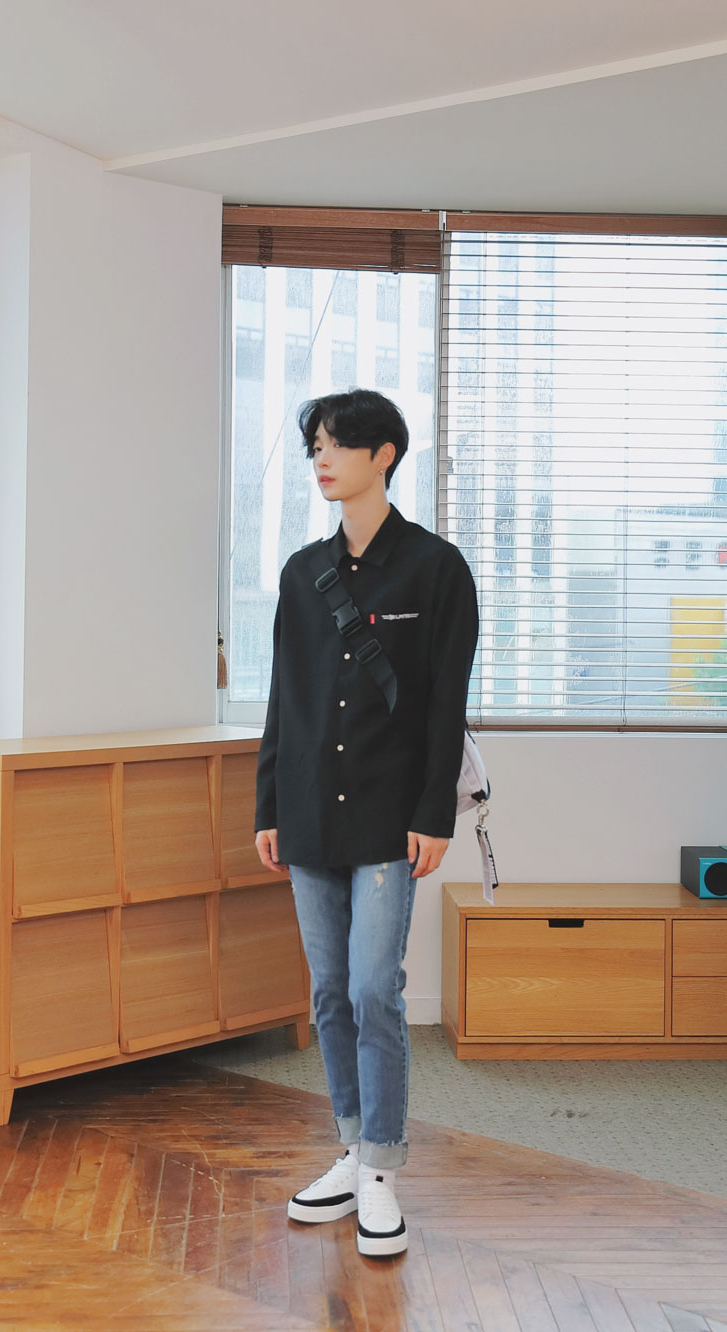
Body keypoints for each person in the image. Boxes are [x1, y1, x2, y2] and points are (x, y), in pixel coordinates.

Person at [254, 387, 478, 1258]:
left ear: (383, 454)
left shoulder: (436, 569)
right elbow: (285, 698)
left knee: (373, 989)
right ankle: (351, 1149)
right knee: (326, 993)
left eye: (337, 443)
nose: (321, 457)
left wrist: (434, 815)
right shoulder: (301, 573)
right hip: (308, 810)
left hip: (390, 816)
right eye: (314, 444)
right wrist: (268, 805)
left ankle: (381, 1167)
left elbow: (445, 705)